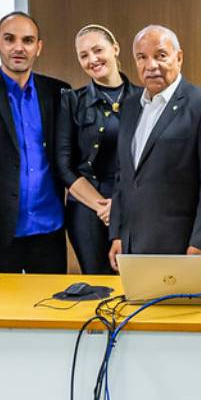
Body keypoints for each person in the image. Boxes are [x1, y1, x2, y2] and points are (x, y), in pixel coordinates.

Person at [108, 25, 201, 266]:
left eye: (160, 55)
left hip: (184, 246)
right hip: (133, 244)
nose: (151, 65)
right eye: (142, 58)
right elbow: (123, 176)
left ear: (179, 57)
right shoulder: (130, 107)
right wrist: (118, 233)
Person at [0, 11, 70, 273]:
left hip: (49, 229)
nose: (19, 48)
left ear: (38, 47)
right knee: (2, 311)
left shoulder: (58, 92)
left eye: (28, 40)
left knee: (52, 309)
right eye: (10, 39)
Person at [54, 24, 141, 274]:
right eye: (84, 55)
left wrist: (120, 207)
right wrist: (103, 207)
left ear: (115, 49)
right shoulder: (72, 101)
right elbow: (64, 165)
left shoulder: (143, 98)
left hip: (134, 205)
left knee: (134, 282)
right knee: (97, 282)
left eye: (97, 50)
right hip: (88, 208)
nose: (92, 59)